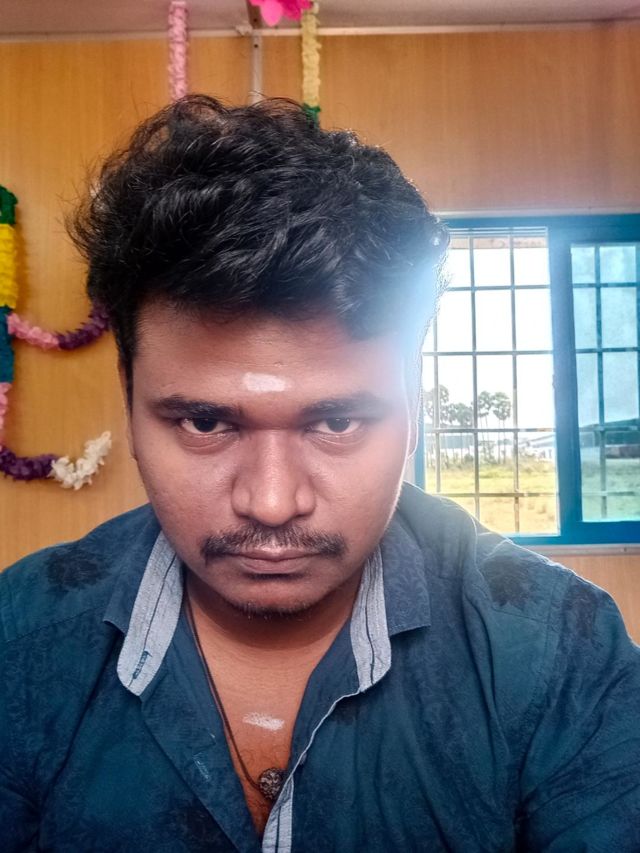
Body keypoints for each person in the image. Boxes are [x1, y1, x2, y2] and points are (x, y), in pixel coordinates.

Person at [1, 95, 639, 853]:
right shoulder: (18, 643)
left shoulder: (561, 652)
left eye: (337, 422)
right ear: (130, 397)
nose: (272, 502)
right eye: (205, 422)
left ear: (414, 407)